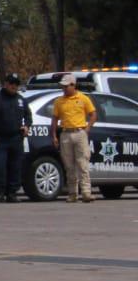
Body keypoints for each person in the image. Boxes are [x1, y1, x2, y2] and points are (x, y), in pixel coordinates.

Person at [0, 73, 32, 203]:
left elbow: (28, 116)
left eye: (16, 84)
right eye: (11, 83)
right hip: (0, 139)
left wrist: (27, 126)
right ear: (6, 84)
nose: (14, 86)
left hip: (16, 138)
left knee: (15, 166)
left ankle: (12, 193)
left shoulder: (21, 100)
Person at [49, 74, 96, 203]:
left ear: (73, 85)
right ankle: (72, 193)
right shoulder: (59, 101)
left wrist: (87, 128)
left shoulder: (83, 98)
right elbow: (55, 119)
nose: (64, 89)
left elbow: (93, 114)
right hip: (65, 134)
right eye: (63, 86)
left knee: (82, 163)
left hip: (80, 132)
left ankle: (86, 193)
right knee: (69, 165)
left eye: (66, 86)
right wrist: (54, 136)